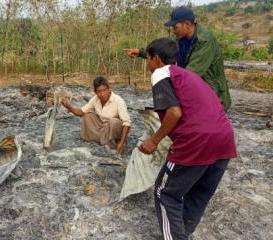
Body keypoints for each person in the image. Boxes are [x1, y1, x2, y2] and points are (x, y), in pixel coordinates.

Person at [139, 37, 237, 239]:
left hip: (198, 141)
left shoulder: (160, 73)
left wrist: (153, 141)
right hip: (224, 140)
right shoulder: (187, 75)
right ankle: (182, 232)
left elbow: (174, 113)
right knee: (198, 194)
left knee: (164, 192)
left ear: (156, 59)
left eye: (148, 59)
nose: (148, 64)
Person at [125, 6, 232, 111]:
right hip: (194, 91)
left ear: (187, 24)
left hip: (212, 95)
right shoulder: (180, 39)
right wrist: (141, 52)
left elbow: (191, 73)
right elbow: (164, 52)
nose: (173, 30)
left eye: (175, 27)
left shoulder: (205, 41)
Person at [60, 76, 131, 154]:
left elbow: (127, 123)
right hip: (102, 127)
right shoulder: (95, 99)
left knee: (113, 121)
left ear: (108, 89)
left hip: (114, 129)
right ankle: (100, 140)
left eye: (104, 90)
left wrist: (122, 142)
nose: (102, 94)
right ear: (95, 92)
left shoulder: (118, 100)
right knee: (87, 115)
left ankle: (113, 142)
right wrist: (69, 107)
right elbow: (81, 111)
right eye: (99, 91)